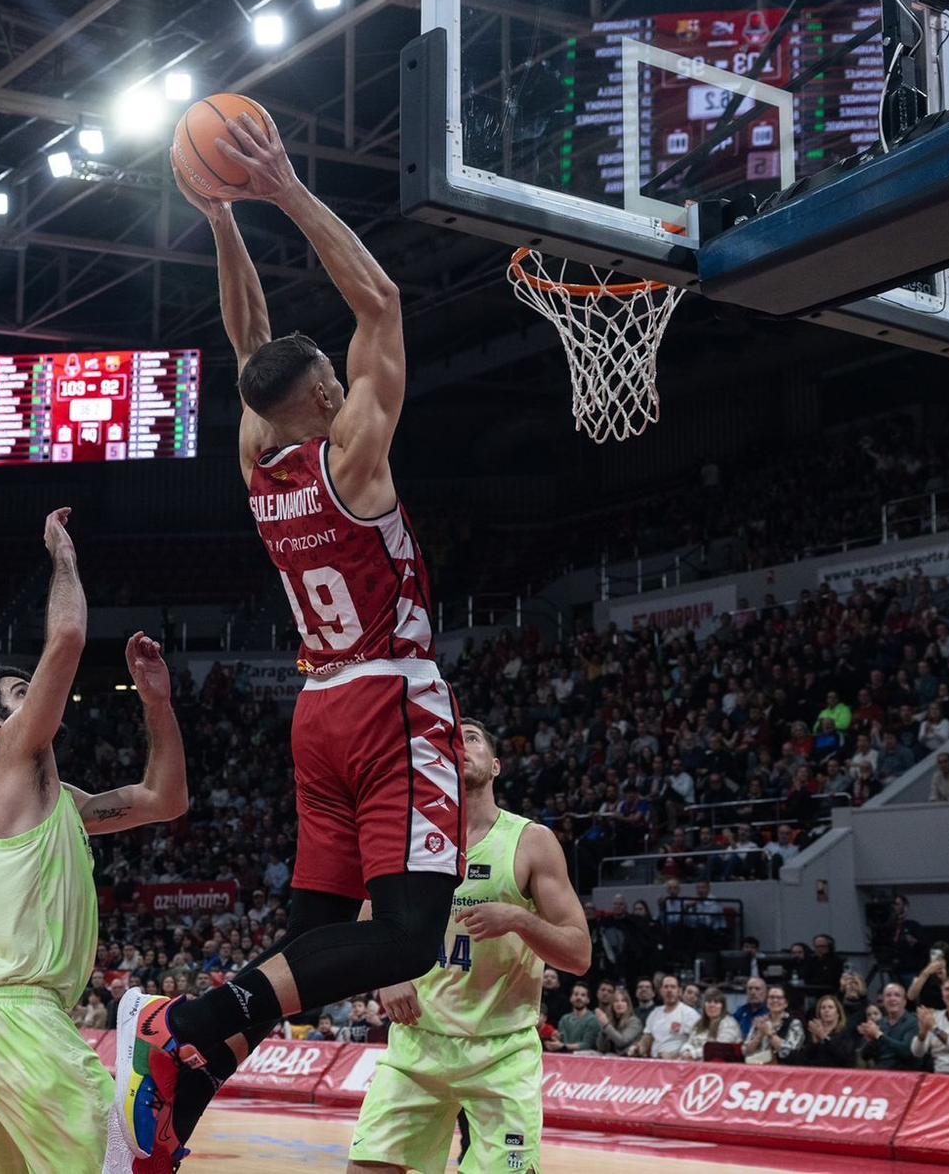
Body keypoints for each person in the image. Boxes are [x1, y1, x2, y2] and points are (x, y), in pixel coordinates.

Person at [127, 109, 460, 1164]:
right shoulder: (352, 453)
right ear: (324, 388)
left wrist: (219, 219)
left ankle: (180, 1090)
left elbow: (247, 341)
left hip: (315, 709)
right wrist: (280, 189)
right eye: (334, 374)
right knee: (405, 938)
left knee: (313, 938)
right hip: (390, 699)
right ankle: (187, 1022)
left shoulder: (256, 458)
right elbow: (381, 300)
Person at [0, 510, 191, 1173]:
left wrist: (157, 705)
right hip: (17, 1022)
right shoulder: (7, 769)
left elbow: (164, 800)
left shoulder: (61, 804)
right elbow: (70, 635)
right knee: (121, 1167)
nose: (41, 694)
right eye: (22, 692)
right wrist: (64, 557)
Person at [346, 719, 590, 1174]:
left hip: (502, 1051)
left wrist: (519, 919)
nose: (460, 744)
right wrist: (389, 977)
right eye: (451, 740)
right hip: (418, 1043)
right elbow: (366, 926)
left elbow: (579, 955)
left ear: (495, 766)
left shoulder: (531, 841)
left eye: (471, 738)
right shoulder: (408, 839)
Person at [858, 982, 921, 1070]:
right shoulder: (880, 1023)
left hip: (904, 1073)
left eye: (897, 995)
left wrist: (879, 1035)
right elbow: (864, 1056)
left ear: (904, 1002)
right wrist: (871, 1040)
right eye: (888, 995)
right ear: (884, 1001)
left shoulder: (913, 1022)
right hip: (880, 1071)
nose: (892, 998)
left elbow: (906, 1052)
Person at [677, 988, 743, 1061]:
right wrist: (686, 1051)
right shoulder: (699, 1023)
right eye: (708, 1002)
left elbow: (719, 1048)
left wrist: (693, 1054)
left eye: (716, 1002)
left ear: (723, 1006)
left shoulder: (729, 1023)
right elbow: (689, 1042)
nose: (712, 1005)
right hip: (695, 1062)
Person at [743, 986, 803, 1065]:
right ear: (767, 1002)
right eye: (771, 997)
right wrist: (759, 1035)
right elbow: (746, 1052)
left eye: (779, 998)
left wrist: (770, 1034)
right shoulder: (761, 1021)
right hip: (758, 1067)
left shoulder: (794, 1023)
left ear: (786, 1003)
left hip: (784, 1069)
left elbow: (789, 1053)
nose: (775, 1000)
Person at [796, 994, 858, 1068]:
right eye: (823, 1008)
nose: (826, 1010)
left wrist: (824, 1038)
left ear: (838, 1013)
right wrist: (815, 1043)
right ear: (819, 1013)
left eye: (830, 1007)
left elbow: (844, 1057)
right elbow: (804, 1059)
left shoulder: (846, 1032)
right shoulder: (814, 1031)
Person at [597, 987, 645, 1056]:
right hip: (610, 1055)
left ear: (628, 1005)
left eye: (623, 1001)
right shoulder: (610, 1021)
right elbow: (601, 1048)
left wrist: (606, 1025)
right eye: (616, 1001)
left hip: (627, 1057)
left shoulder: (634, 1022)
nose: (619, 1004)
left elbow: (622, 1041)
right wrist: (603, 1029)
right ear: (612, 1005)